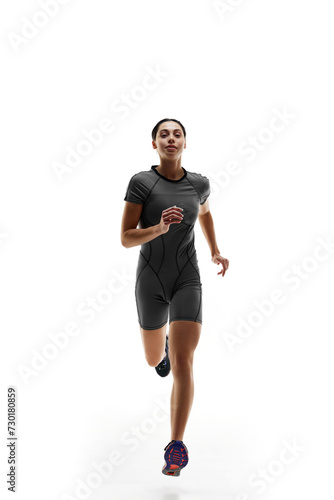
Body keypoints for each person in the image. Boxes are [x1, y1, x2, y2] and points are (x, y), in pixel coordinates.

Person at [121, 118, 229, 476]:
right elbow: (126, 237)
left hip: (187, 280)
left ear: (185, 142)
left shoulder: (199, 183)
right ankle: (159, 352)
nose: (171, 138)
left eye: (177, 134)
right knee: (156, 360)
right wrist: (159, 228)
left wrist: (214, 250)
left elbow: (207, 214)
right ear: (154, 143)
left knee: (184, 362)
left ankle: (176, 446)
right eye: (163, 134)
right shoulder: (142, 182)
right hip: (150, 280)